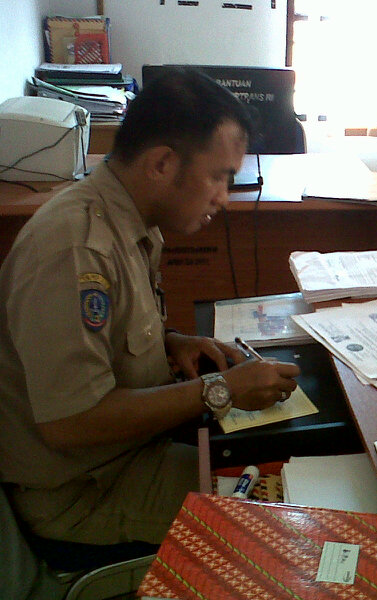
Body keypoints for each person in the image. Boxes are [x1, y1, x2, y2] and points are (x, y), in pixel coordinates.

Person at [0, 68, 301, 546]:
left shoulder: (132, 218)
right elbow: (69, 422)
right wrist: (220, 389)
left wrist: (170, 343)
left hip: (128, 452)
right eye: (218, 177)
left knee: (289, 458)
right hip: (86, 491)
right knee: (286, 517)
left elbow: (109, 333)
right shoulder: (75, 248)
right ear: (162, 163)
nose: (224, 198)